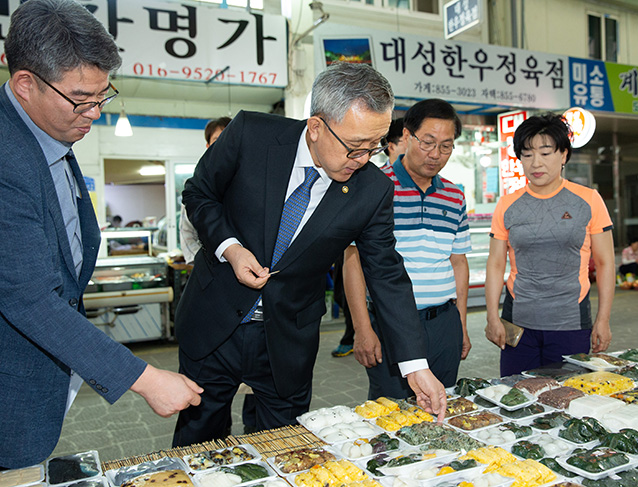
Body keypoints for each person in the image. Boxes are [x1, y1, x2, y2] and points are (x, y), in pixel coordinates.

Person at [173, 62, 447, 447]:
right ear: (316, 127)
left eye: (373, 147)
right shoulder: (252, 134)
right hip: (214, 320)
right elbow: (199, 194)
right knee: (199, 441)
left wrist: (415, 366)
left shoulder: (373, 190)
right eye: (354, 147)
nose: (363, 159)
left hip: (288, 336)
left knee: (285, 447)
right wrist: (230, 249)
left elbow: (386, 272)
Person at [0, 0, 202, 469]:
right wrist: (147, 378)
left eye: (102, 95)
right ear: (25, 84)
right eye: (80, 99)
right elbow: (28, 298)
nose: (94, 112)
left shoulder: (51, 134)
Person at [344, 99, 471, 399]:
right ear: (405, 136)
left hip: (443, 323)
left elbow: (459, 263)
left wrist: (461, 325)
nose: (435, 154)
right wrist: (362, 328)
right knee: (392, 410)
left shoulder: (454, 195)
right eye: (427, 142)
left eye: (446, 146)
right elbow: (352, 259)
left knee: (444, 404)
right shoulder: (373, 186)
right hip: (391, 324)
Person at [484, 113, 615, 377]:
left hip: (570, 321)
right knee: (516, 395)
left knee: (568, 397)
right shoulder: (507, 204)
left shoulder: (588, 200)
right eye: (528, 154)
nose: (536, 163)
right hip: (518, 324)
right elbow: (496, 264)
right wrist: (491, 317)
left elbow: (605, 263)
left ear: (564, 155)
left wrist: (603, 320)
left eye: (545, 153)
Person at [331, 117, 407, 358]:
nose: (364, 157)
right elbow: (352, 255)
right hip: (372, 293)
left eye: (373, 147)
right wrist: (362, 328)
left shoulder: (447, 192)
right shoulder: (369, 183)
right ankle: (350, 333)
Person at [180, 116, 231, 265]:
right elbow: (186, 233)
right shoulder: (198, 186)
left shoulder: (251, 181)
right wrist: (201, 264)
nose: (224, 144)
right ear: (208, 146)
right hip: (208, 268)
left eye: (229, 138)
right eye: (217, 140)